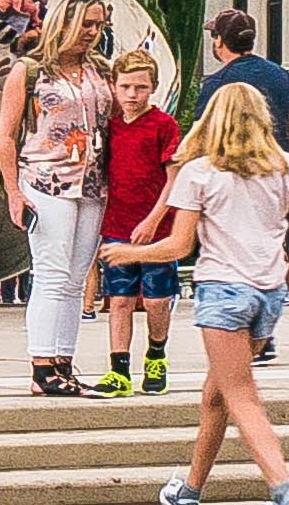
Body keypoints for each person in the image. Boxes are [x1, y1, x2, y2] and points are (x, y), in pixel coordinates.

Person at [99, 79, 289, 505]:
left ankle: (284, 489)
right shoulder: (285, 165)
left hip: (224, 292)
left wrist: (128, 252)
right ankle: (189, 489)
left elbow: (179, 246)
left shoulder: (199, 173)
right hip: (269, 294)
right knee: (216, 396)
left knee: (240, 394)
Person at [0, 0, 115, 396]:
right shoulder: (30, 71)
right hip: (46, 180)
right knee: (51, 273)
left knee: (77, 279)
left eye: (98, 25)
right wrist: (14, 191)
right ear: (65, 21)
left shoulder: (99, 70)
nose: (93, 33)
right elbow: (6, 136)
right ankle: (42, 365)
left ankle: (64, 362)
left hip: (93, 183)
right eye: (86, 24)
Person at [95, 49, 186, 396]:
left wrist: (154, 219)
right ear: (115, 88)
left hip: (156, 229)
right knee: (118, 298)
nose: (133, 95)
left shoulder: (163, 125)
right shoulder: (111, 127)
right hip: (118, 224)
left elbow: (173, 178)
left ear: (153, 89)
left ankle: (156, 355)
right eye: (126, 87)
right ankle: (118, 368)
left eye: (141, 87)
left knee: (156, 299)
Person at [198, 8, 289, 135]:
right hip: (277, 154)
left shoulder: (215, 83)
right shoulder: (283, 75)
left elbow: (203, 136)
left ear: (219, 40)